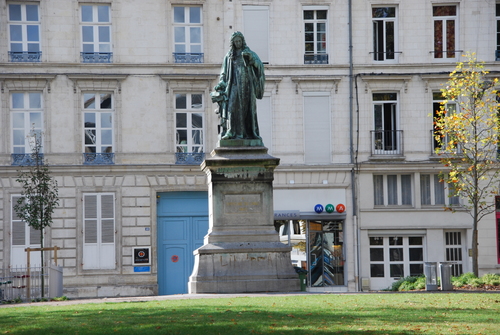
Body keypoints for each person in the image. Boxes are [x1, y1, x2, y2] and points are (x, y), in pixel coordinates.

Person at [212, 31, 265, 140]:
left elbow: (259, 66)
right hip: (233, 85)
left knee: (246, 110)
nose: (237, 43)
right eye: (235, 41)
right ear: (233, 43)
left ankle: (249, 133)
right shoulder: (229, 56)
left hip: (247, 86)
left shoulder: (249, 53)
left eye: (239, 41)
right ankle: (231, 131)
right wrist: (222, 83)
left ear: (242, 41)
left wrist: (251, 59)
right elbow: (223, 73)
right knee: (231, 107)